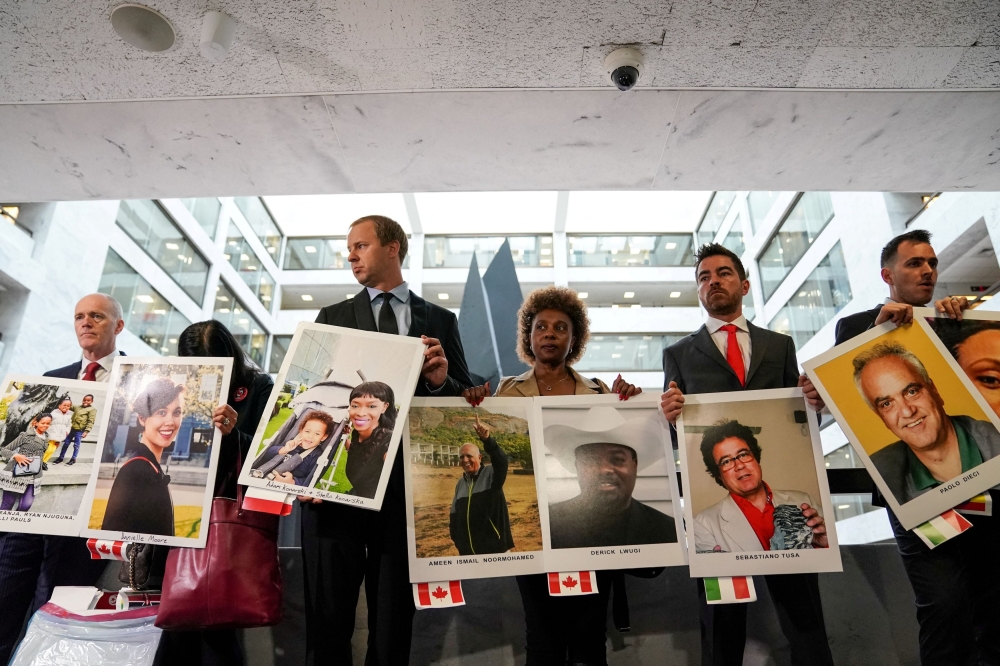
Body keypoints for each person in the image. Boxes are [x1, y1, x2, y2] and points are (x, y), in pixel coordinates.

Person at [300, 215, 473, 666]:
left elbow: (461, 400)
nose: (351, 255)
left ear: (393, 247)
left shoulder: (440, 320)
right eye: (349, 248)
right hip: (335, 488)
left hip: (403, 492)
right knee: (329, 617)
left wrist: (440, 380)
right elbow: (314, 401)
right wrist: (307, 481)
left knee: (394, 619)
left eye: (361, 245)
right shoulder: (331, 317)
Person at [659, 243, 833, 666]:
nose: (713, 281)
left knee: (804, 618)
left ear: (745, 283)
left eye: (722, 273)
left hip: (782, 505)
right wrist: (667, 416)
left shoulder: (781, 346)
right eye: (704, 277)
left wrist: (816, 402)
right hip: (715, 511)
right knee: (722, 625)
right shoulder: (678, 354)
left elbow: (798, 418)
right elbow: (673, 433)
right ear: (699, 292)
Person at [834, 229, 1000, 665]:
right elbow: (836, 396)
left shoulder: (950, 322)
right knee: (944, 603)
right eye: (914, 263)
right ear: (888, 274)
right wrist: (878, 329)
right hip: (918, 499)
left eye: (932, 263)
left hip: (984, 487)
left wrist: (960, 322)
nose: (927, 271)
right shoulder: (856, 327)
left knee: (992, 602)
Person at [463, 285, 644, 666]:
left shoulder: (600, 393)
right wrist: (472, 405)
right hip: (534, 533)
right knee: (542, 636)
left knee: (589, 637)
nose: (550, 333)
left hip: (591, 528)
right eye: (541, 326)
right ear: (528, 336)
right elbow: (492, 451)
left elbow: (625, 441)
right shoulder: (504, 395)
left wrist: (629, 401)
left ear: (574, 338)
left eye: (561, 327)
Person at [0, 293, 124, 664]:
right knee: (4, 601)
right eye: (79, 317)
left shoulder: (137, 380)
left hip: (82, 524)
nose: (85, 322)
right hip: (26, 515)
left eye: (97, 316)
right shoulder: (51, 380)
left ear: (118, 325)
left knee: (54, 615)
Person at [154, 319, 276, 666]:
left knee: (213, 620)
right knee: (179, 615)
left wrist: (235, 432)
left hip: (229, 516)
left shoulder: (259, 388)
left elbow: (271, 455)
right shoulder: (173, 389)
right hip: (178, 507)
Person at [853, 341, 1000, 504]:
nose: (907, 412)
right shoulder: (881, 472)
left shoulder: (996, 438)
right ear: (881, 417)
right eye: (887, 404)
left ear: (934, 391)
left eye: (911, 392)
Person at [544, 405, 677, 549]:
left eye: (618, 459)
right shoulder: (545, 526)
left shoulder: (669, 530)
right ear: (577, 466)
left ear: (634, 465)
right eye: (591, 460)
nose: (605, 469)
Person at [694, 420, 827, 553]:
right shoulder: (704, 523)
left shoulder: (803, 500)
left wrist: (824, 544)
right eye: (726, 461)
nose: (739, 465)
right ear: (718, 475)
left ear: (756, 458)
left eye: (743, 454)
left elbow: (831, 561)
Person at [101, 378, 183, 537]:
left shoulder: (151, 466)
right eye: (161, 412)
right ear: (142, 418)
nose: (170, 421)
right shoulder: (137, 469)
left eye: (177, 412)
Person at [449, 414, 513, 556]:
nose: (465, 460)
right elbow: (454, 515)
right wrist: (458, 541)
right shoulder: (460, 483)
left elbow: (501, 461)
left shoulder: (491, 474)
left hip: (496, 552)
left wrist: (487, 440)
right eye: (461, 457)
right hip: (468, 554)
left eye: (469, 456)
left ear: (479, 457)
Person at [251, 410, 337, 487]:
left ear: (323, 437)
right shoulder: (291, 443)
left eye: (317, 434)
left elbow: (310, 479)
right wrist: (285, 449)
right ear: (301, 430)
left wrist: (292, 482)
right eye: (307, 431)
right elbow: (266, 456)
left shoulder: (317, 455)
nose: (310, 436)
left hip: (287, 487)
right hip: (264, 476)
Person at [343, 382, 397, 499]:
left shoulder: (389, 442)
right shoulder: (356, 433)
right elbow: (355, 451)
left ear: (385, 407)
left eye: (371, 406)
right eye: (355, 406)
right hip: (356, 495)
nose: (360, 413)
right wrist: (345, 438)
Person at [0, 415, 52, 512]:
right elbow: (3, 450)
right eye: (43, 423)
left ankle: (16, 524)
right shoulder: (25, 435)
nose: (45, 425)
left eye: (48, 423)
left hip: (34, 475)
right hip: (17, 474)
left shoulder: (46, 437)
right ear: (36, 423)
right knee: (7, 504)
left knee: (26, 505)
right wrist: (16, 455)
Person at [52, 394, 97, 466]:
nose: (85, 401)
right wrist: (66, 399)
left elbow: (91, 421)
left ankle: (73, 459)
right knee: (66, 443)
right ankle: (60, 458)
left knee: (76, 445)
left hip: (80, 430)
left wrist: (86, 431)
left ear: (92, 401)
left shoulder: (92, 410)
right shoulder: (78, 407)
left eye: (88, 400)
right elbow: (69, 405)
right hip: (71, 429)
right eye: (84, 400)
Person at [42, 398, 73, 465]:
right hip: (51, 434)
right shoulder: (54, 413)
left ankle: (45, 462)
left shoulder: (69, 415)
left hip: (60, 435)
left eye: (68, 406)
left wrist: (67, 432)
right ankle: (41, 462)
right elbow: (48, 422)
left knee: (53, 450)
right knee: (48, 449)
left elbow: (69, 425)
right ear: (59, 405)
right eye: (64, 405)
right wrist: (46, 431)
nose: (66, 407)